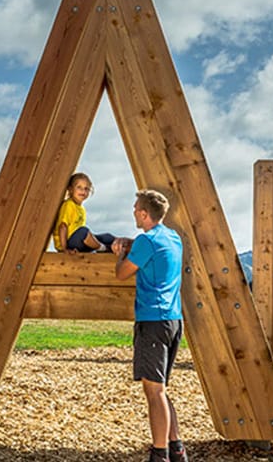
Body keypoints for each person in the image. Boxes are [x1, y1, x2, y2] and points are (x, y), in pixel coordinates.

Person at [112, 189, 188, 462]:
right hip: (173, 320)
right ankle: (177, 448)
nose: (133, 211)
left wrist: (120, 254)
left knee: (153, 392)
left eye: (135, 209)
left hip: (152, 322)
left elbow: (122, 274)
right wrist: (132, 243)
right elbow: (150, 249)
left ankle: (160, 455)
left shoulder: (146, 240)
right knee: (161, 389)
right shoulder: (173, 237)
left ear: (144, 214)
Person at [52, 172, 116, 254]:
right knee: (83, 232)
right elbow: (62, 227)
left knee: (107, 237)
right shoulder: (69, 205)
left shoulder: (81, 209)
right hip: (68, 242)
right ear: (71, 189)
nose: (83, 191)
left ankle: (125, 248)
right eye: (79, 187)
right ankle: (103, 248)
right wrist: (64, 249)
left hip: (78, 242)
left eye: (86, 189)